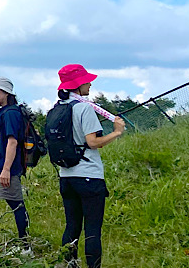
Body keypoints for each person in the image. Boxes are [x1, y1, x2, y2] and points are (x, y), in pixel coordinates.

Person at [54, 63, 126, 268]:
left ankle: (69, 264)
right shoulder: (84, 108)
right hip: (89, 176)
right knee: (92, 229)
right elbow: (93, 142)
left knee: (72, 226)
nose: (90, 84)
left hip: (66, 176)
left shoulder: (59, 108)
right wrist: (117, 132)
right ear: (78, 84)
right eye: (87, 80)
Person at [0, 76, 29, 245]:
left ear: (6, 92)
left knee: (17, 204)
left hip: (9, 168)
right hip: (4, 166)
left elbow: (12, 142)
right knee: (14, 203)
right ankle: (25, 241)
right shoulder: (5, 111)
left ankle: (25, 244)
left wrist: (6, 169)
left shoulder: (10, 113)